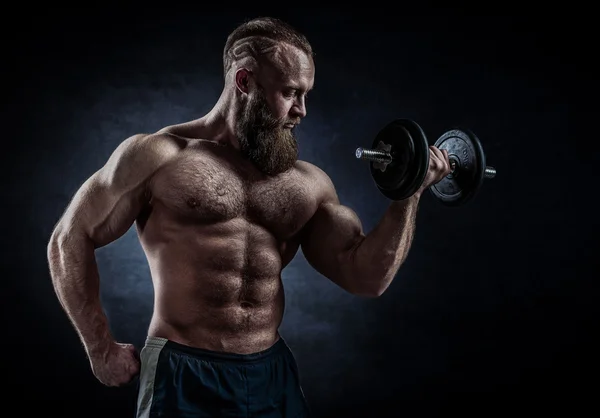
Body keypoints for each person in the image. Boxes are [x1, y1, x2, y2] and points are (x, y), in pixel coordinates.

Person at [47, 16, 451, 417]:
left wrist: (407, 196)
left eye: (306, 94)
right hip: (184, 371)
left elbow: (366, 278)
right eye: (290, 92)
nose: (302, 110)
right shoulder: (158, 156)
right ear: (244, 82)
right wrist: (100, 349)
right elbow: (69, 238)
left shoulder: (308, 183)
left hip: (271, 374)